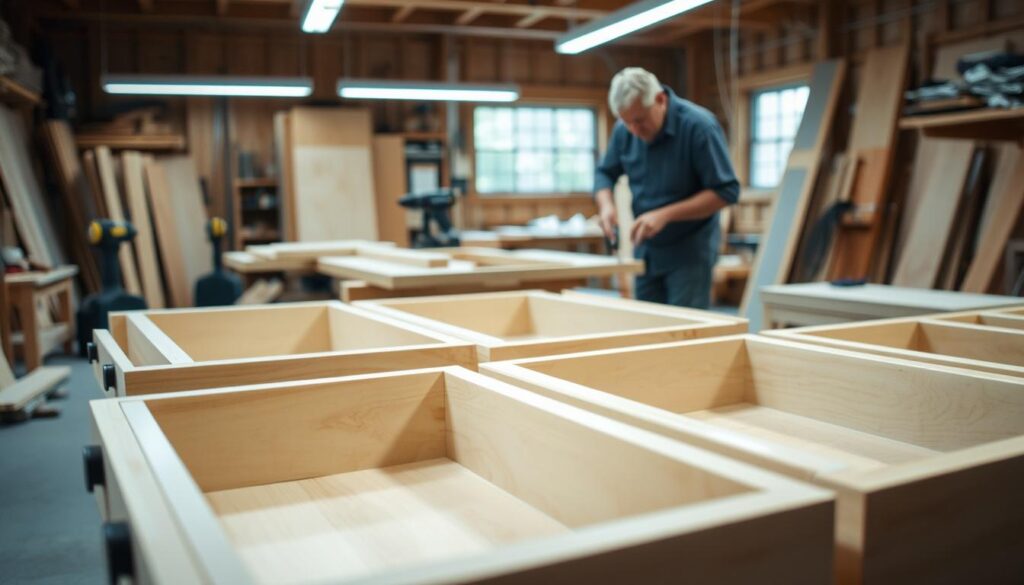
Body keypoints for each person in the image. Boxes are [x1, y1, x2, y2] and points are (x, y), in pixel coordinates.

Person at [594, 67, 739, 309]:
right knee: (650, 328)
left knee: (684, 333)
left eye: (639, 120)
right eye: (626, 122)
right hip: (647, 250)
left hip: (689, 251)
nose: (634, 131)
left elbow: (727, 191)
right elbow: (604, 173)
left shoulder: (699, 127)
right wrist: (606, 206)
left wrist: (665, 215)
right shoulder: (625, 131)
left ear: (660, 99)